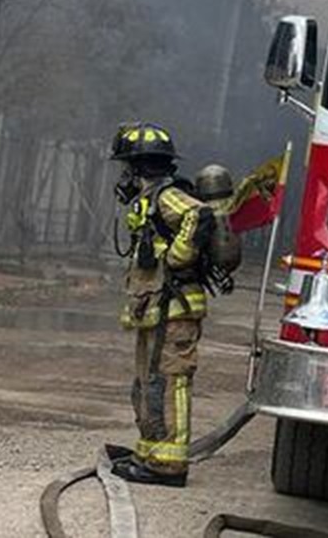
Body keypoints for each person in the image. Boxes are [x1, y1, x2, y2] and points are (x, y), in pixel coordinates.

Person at [110, 123, 215, 487]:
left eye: (126, 167)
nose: (123, 177)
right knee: (147, 384)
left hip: (176, 310)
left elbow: (199, 215)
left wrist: (177, 256)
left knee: (170, 384)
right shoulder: (151, 198)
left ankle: (169, 466)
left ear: (138, 167)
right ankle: (150, 454)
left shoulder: (168, 196)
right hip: (157, 310)